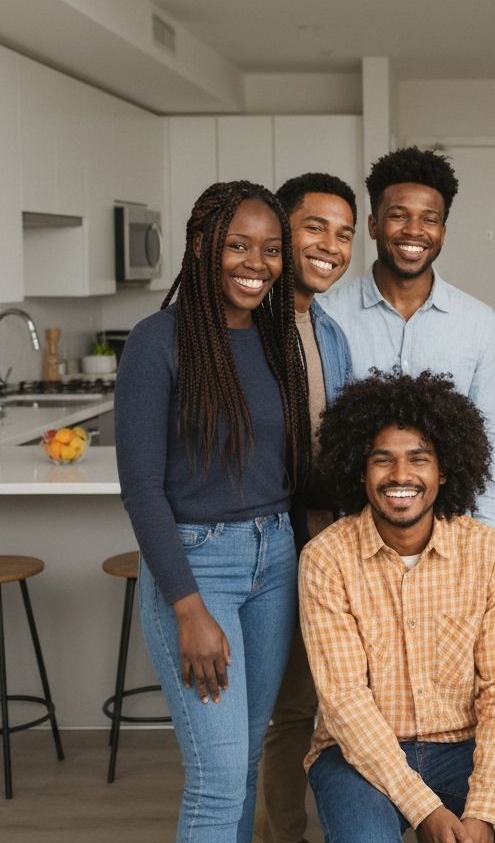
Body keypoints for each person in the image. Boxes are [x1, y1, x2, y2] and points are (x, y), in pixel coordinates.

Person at [299, 369, 495, 843]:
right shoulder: (326, 558)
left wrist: (483, 809)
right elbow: (345, 702)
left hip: (462, 747)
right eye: (383, 460)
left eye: (418, 459)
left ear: (443, 470)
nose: (401, 475)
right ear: (360, 471)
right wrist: (426, 810)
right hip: (356, 753)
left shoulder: (486, 551)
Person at [115, 180, 309, 843]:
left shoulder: (276, 338)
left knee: (245, 760)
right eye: (238, 245)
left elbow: (283, 470)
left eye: (271, 249)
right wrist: (188, 608)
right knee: (218, 776)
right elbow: (142, 489)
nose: (257, 263)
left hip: (276, 560)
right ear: (201, 245)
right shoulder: (157, 341)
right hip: (200, 569)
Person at [320, 146, 495, 529]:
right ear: (373, 225)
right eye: (398, 215)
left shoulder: (479, 323)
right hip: (353, 532)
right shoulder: (327, 315)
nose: (414, 230)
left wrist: (487, 536)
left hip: (450, 532)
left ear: (443, 232)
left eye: (429, 219)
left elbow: (494, 439)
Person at [254, 172, 357, 843]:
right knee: (269, 715)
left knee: (305, 705)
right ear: (279, 231)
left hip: (325, 545)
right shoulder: (242, 327)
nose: (330, 246)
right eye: (314, 227)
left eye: (343, 234)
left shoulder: (330, 333)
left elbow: (333, 443)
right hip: (265, 547)